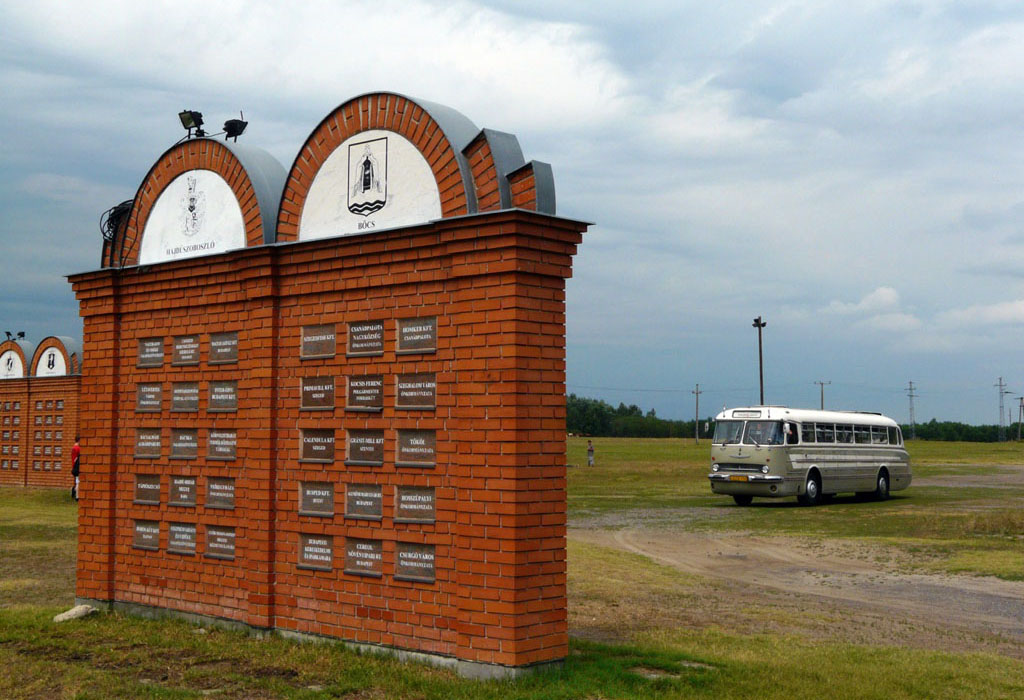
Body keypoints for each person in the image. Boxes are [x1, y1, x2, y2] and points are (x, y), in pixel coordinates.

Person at [70, 436, 80, 501]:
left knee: (77, 481)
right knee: (78, 482)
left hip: (74, 466)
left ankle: (73, 489)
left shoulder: (73, 448)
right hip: (78, 466)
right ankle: (77, 496)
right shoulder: (78, 448)